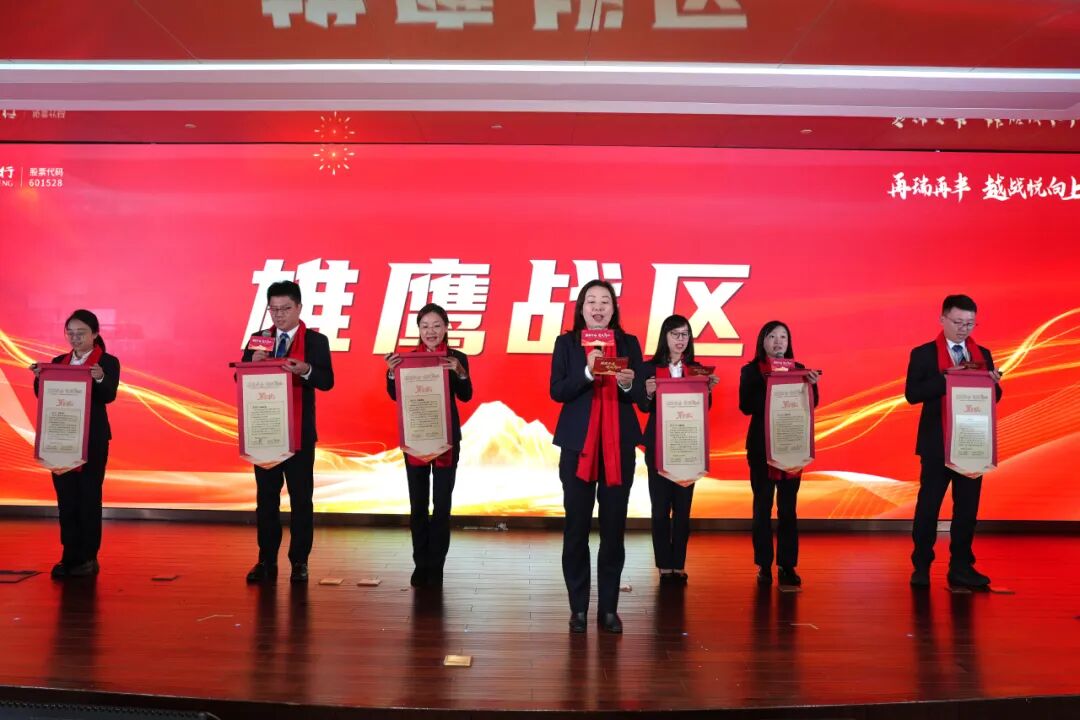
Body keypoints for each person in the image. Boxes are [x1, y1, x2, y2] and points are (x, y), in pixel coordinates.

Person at [550, 279, 643, 634]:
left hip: (618, 446)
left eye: (606, 301)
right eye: (592, 301)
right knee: (576, 528)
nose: (599, 307)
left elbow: (640, 397)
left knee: (613, 530)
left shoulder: (629, 343)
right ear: (581, 308)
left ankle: (608, 609)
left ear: (614, 308)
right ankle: (578, 608)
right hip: (578, 447)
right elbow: (557, 390)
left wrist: (627, 383)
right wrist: (589, 372)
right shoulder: (567, 343)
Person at [906, 294, 1002, 588]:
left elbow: (994, 397)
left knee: (967, 510)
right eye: (958, 322)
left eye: (970, 323)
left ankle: (961, 567)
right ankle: (921, 566)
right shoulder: (923, 353)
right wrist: (950, 377)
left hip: (971, 442)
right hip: (937, 444)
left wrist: (993, 383)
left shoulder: (982, 354)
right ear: (943, 319)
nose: (964, 329)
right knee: (928, 507)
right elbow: (912, 394)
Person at [242, 281, 334, 584]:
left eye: (285, 308)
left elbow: (327, 381)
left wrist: (306, 369)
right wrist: (251, 363)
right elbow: (240, 379)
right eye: (273, 309)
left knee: (301, 499)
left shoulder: (316, 341)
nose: (279, 314)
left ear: (299, 308)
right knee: (266, 499)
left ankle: (299, 562)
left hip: (299, 434)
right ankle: (266, 560)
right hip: (266, 431)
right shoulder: (259, 339)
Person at [385, 303, 473, 588]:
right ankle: (420, 563)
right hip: (416, 437)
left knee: (442, 505)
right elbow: (395, 395)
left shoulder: (457, 357)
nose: (431, 331)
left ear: (446, 328)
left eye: (436, 326)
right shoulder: (406, 359)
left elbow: (467, 395)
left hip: (446, 439)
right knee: (418, 505)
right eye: (425, 326)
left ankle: (436, 566)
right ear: (419, 330)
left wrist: (460, 371)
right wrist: (391, 373)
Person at [31, 309, 121, 579]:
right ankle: (69, 555)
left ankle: (88, 558)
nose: (75, 338)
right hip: (61, 439)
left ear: (95, 334)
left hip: (92, 440)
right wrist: (39, 377)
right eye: (70, 333)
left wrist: (100, 377)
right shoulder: (59, 361)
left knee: (89, 498)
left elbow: (109, 395)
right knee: (66, 500)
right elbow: (43, 395)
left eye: (81, 333)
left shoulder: (107, 362)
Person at [639, 314, 718, 585]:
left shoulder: (697, 369)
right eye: (675, 334)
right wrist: (648, 392)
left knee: (683, 509)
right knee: (660, 508)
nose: (680, 339)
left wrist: (708, 391)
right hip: (658, 446)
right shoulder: (650, 368)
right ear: (665, 337)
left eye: (685, 334)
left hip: (687, 445)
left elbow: (703, 407)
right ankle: (664, 565)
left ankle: (678, 564)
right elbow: (643, 406)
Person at [738, 321, 819, 587]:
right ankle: (763, 565)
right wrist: (772, 383)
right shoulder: (750, 371)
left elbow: (812, 403)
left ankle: (787, 565)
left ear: (788, 342)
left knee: (788, 509)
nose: (778, 342)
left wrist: (811, 385)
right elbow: (745, 406)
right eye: (772, 336)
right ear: (762, 341)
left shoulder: (799, 369)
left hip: (791, 446)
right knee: (762, 507)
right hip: (761, 449)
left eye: (783, 337)